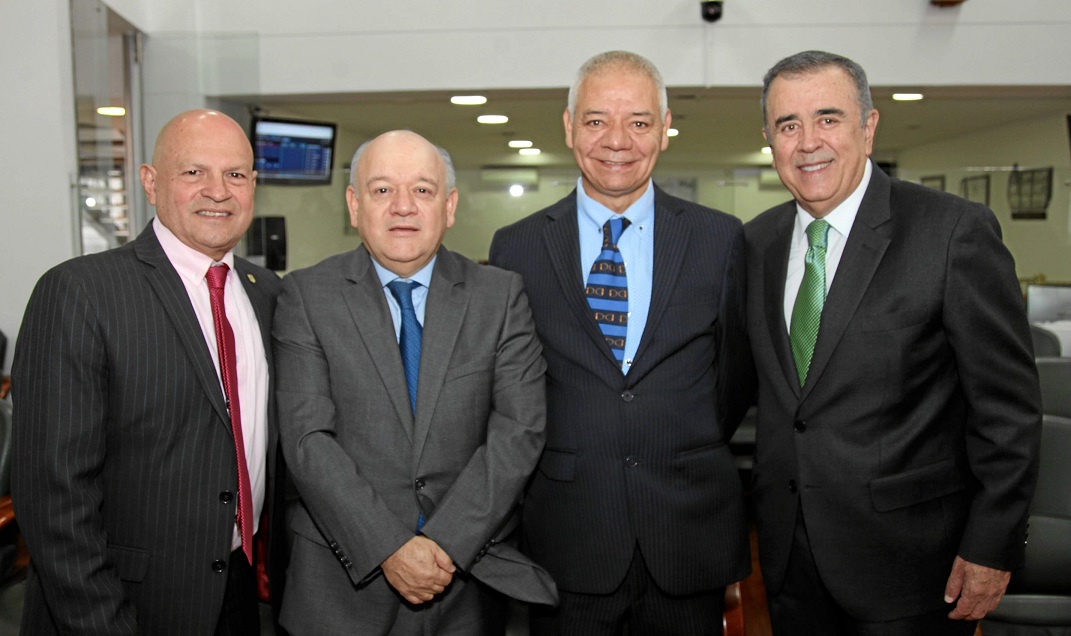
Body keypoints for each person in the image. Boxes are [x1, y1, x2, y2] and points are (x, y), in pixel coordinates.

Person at [744, 50, 1042, 635]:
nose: (808, 142)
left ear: (869, 126)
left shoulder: (952, 232)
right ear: (769, 139)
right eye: (788, 124)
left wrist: (992, 542)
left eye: (828, 118)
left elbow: (1007, 409)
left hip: (913, 566)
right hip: (789, 563)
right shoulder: (757, 243)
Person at [490, 50, 750, 635]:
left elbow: (735, 377)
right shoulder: (518, 247)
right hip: (568, 536)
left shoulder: (721, 238)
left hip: (688, 532)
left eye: (638, 121)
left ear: (664, 128)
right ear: (568, 126)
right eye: (596, 120)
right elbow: (511, 389)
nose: (617, 140)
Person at [11, 109, 285, 635]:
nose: (218, 191)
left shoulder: (268, 292)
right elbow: (53, 496)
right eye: (193, 173)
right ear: (150, 182)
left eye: (235, 174)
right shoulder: (80, 292)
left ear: (252, 185)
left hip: (239, 591)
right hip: (119, 602)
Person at [273, 130, 556, 634]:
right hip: (339, 595)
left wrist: (444, 543)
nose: (403, 206)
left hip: (466, 585)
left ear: (449, 206)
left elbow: (519, 429)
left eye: (422, 190)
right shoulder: (305, 296)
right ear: (354, 205)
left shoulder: (500, 296)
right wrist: (389, 547)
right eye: (382, 190)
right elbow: (306, 439)